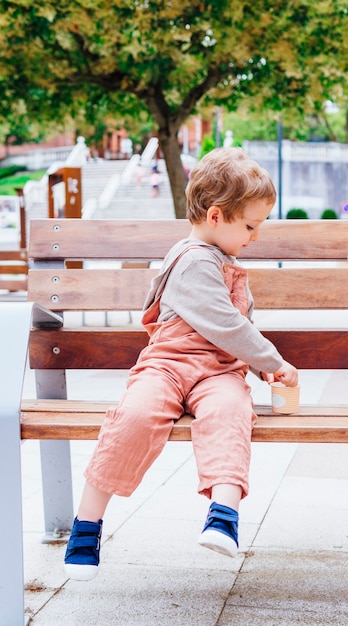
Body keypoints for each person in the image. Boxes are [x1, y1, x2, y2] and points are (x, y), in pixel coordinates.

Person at [64, 147, 298, 581]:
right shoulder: (192, 260)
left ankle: (223, 514)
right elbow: (226, 324)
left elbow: (238, 326)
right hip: (168, 366)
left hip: (217, 373)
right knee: (134, 416)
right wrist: (273, 358)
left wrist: (263, 369)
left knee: (231, 412)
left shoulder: (224, 261)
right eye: (250, 225)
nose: (255, 236)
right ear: (215, 216)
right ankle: (87, 524)